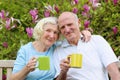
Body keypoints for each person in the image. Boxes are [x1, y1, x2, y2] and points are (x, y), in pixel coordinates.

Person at [10, 17, 91, 80]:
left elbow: (73, 38)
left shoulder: (57, 47)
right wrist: (26, 69)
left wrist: (83, 33)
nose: (52, 36)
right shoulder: (26, 50)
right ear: (40, 31)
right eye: (48, 30)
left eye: (55, 32)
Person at [53, 12, 120, 80]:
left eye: (70, 24)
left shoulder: (97, 40)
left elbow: (114, 71)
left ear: (78, 22)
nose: (67, 30)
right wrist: (63, 71)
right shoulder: (58, 51)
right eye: (62, 27)